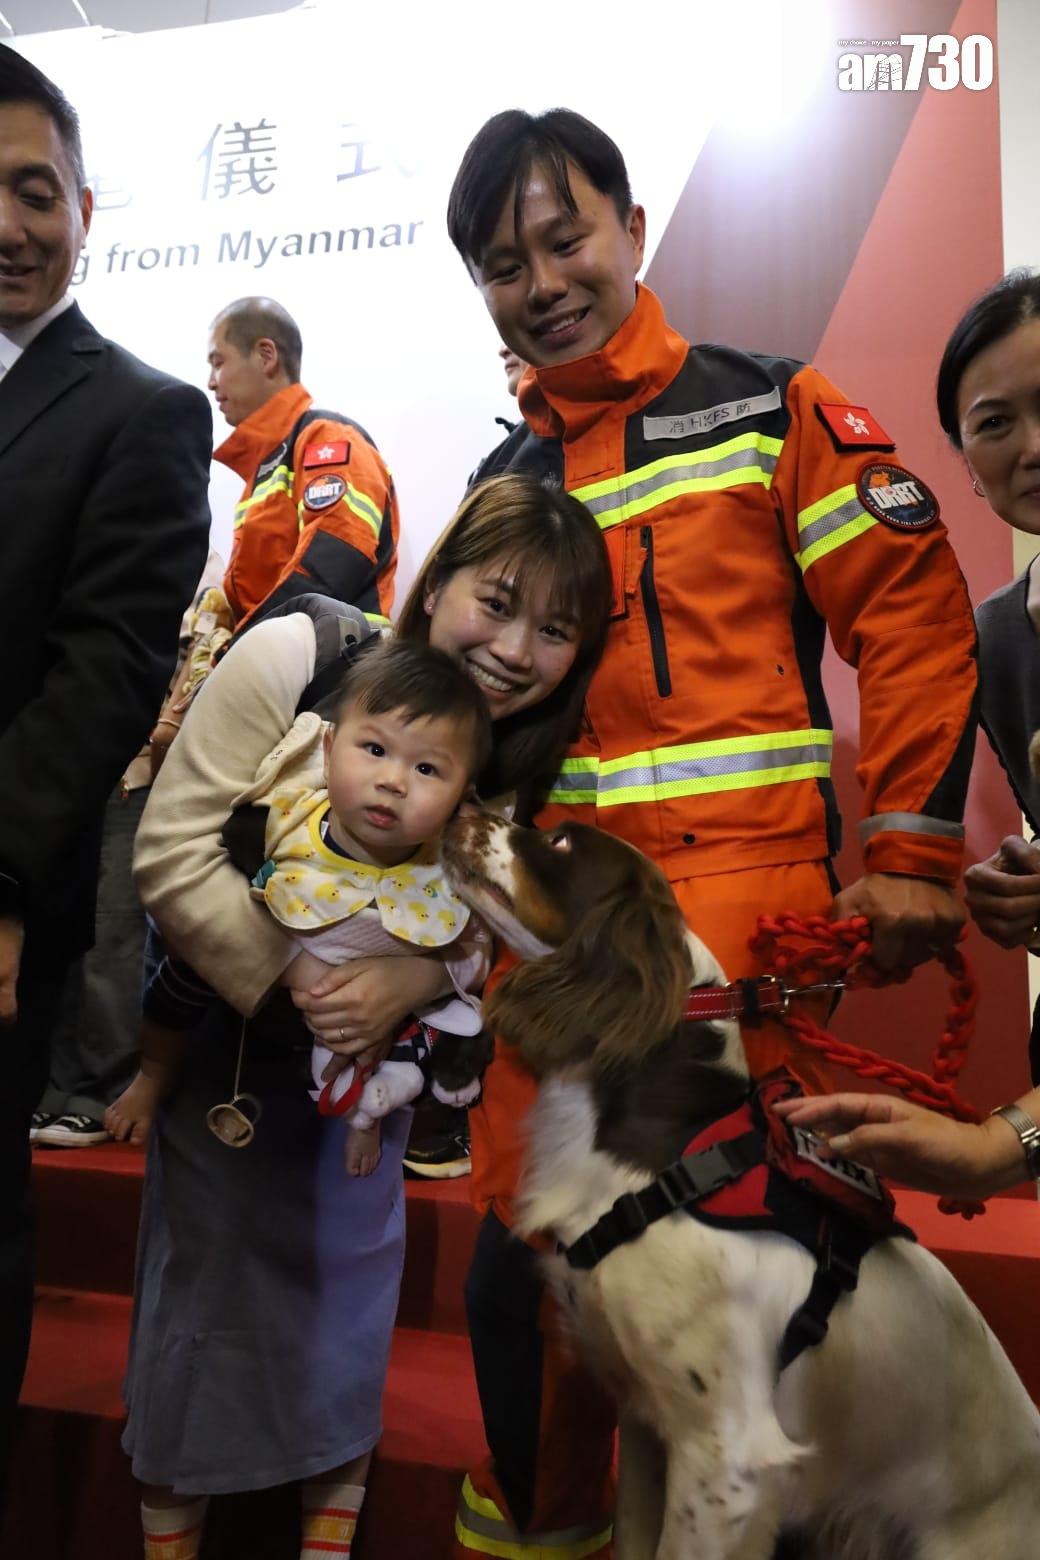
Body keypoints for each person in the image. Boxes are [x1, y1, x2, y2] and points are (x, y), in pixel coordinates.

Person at [445, 108, 980, 1559]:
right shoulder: (503, 487)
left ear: (631, 228)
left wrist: (913, 848)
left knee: (758, 1315)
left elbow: (910, 613)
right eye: (503, 264)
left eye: (564, 239)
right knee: (532, 1307)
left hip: (745, 952)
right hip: (557, 957)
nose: (542, 282)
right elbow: (446, 724)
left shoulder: (766, 408)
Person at [119, 473, 611, 1560]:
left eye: (555, 630)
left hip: (365, 1095)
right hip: (234, 1054)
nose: (514, 651)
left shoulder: (519, 761)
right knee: (201, 1309)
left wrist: (420, 984)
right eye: (497, 603)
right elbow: (170, 852)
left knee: (342, 1311)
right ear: (436, 583)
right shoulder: (302, 652)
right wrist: (312, 980)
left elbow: (502, 934)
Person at [0, 46, 211, 1492]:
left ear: (85, 208)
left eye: (35, 192)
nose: (10, 226)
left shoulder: (139, 411)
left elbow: (102, 676)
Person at [777, 270, 1040, 1202]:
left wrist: (1005, 1145)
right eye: (996, 423)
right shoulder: (999, 639)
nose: (1033, 447)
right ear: (963, 461)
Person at [106, 637, 495, 1179]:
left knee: (415, 1038)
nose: (393, 781)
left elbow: (474, 946)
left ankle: (368, 1117)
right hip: (269, 968)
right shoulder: (286, 815)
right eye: (375, 750)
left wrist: (423, 980)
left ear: (462, 795)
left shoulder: (447, 869)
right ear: (329, 748)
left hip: (373, 1005)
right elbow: (213, 875)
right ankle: (152, 1071)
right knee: (183, 978)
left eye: (427, 769)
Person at [31, 550, 226, 1150]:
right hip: (72, 776)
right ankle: (58, 1086)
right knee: (63, 939)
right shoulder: (81, 573)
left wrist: (157, 741)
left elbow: (192, 673)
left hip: (136, 774)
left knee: (113, 939)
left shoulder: (201, 582)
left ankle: (103, 1088)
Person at [209, 294, 398, 628]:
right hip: (284, 650)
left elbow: (333, 561)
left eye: (219, 362)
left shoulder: (327, 439)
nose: (211, 382)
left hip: (337, 655)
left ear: (266, 356)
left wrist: (240, 643)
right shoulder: (265, 469)